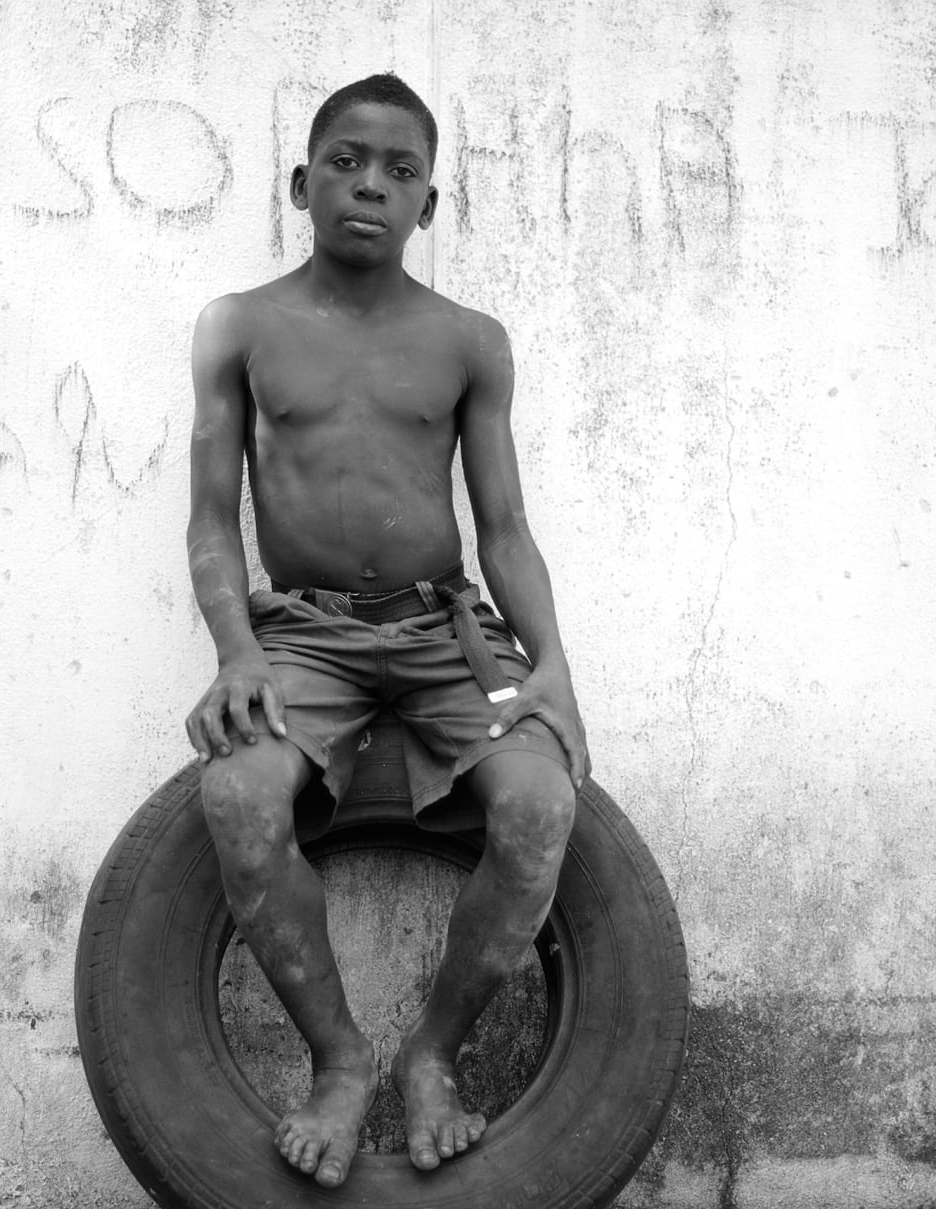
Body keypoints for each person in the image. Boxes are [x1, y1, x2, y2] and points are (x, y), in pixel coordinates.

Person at [183, 72, 589, 1190]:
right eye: (349, 162)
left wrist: (550, 666)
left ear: (431, 203)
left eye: (401, 170)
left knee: (543, 807)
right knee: (236, 796)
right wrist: (236, 649)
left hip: (443, 632)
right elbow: (212, 519)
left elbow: (503, 527)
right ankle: (341, 1059)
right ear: (300, 181)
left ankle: (431, 1057)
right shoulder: (241, 327)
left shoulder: (470, 342)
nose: (372, 184)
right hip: (302, 638)